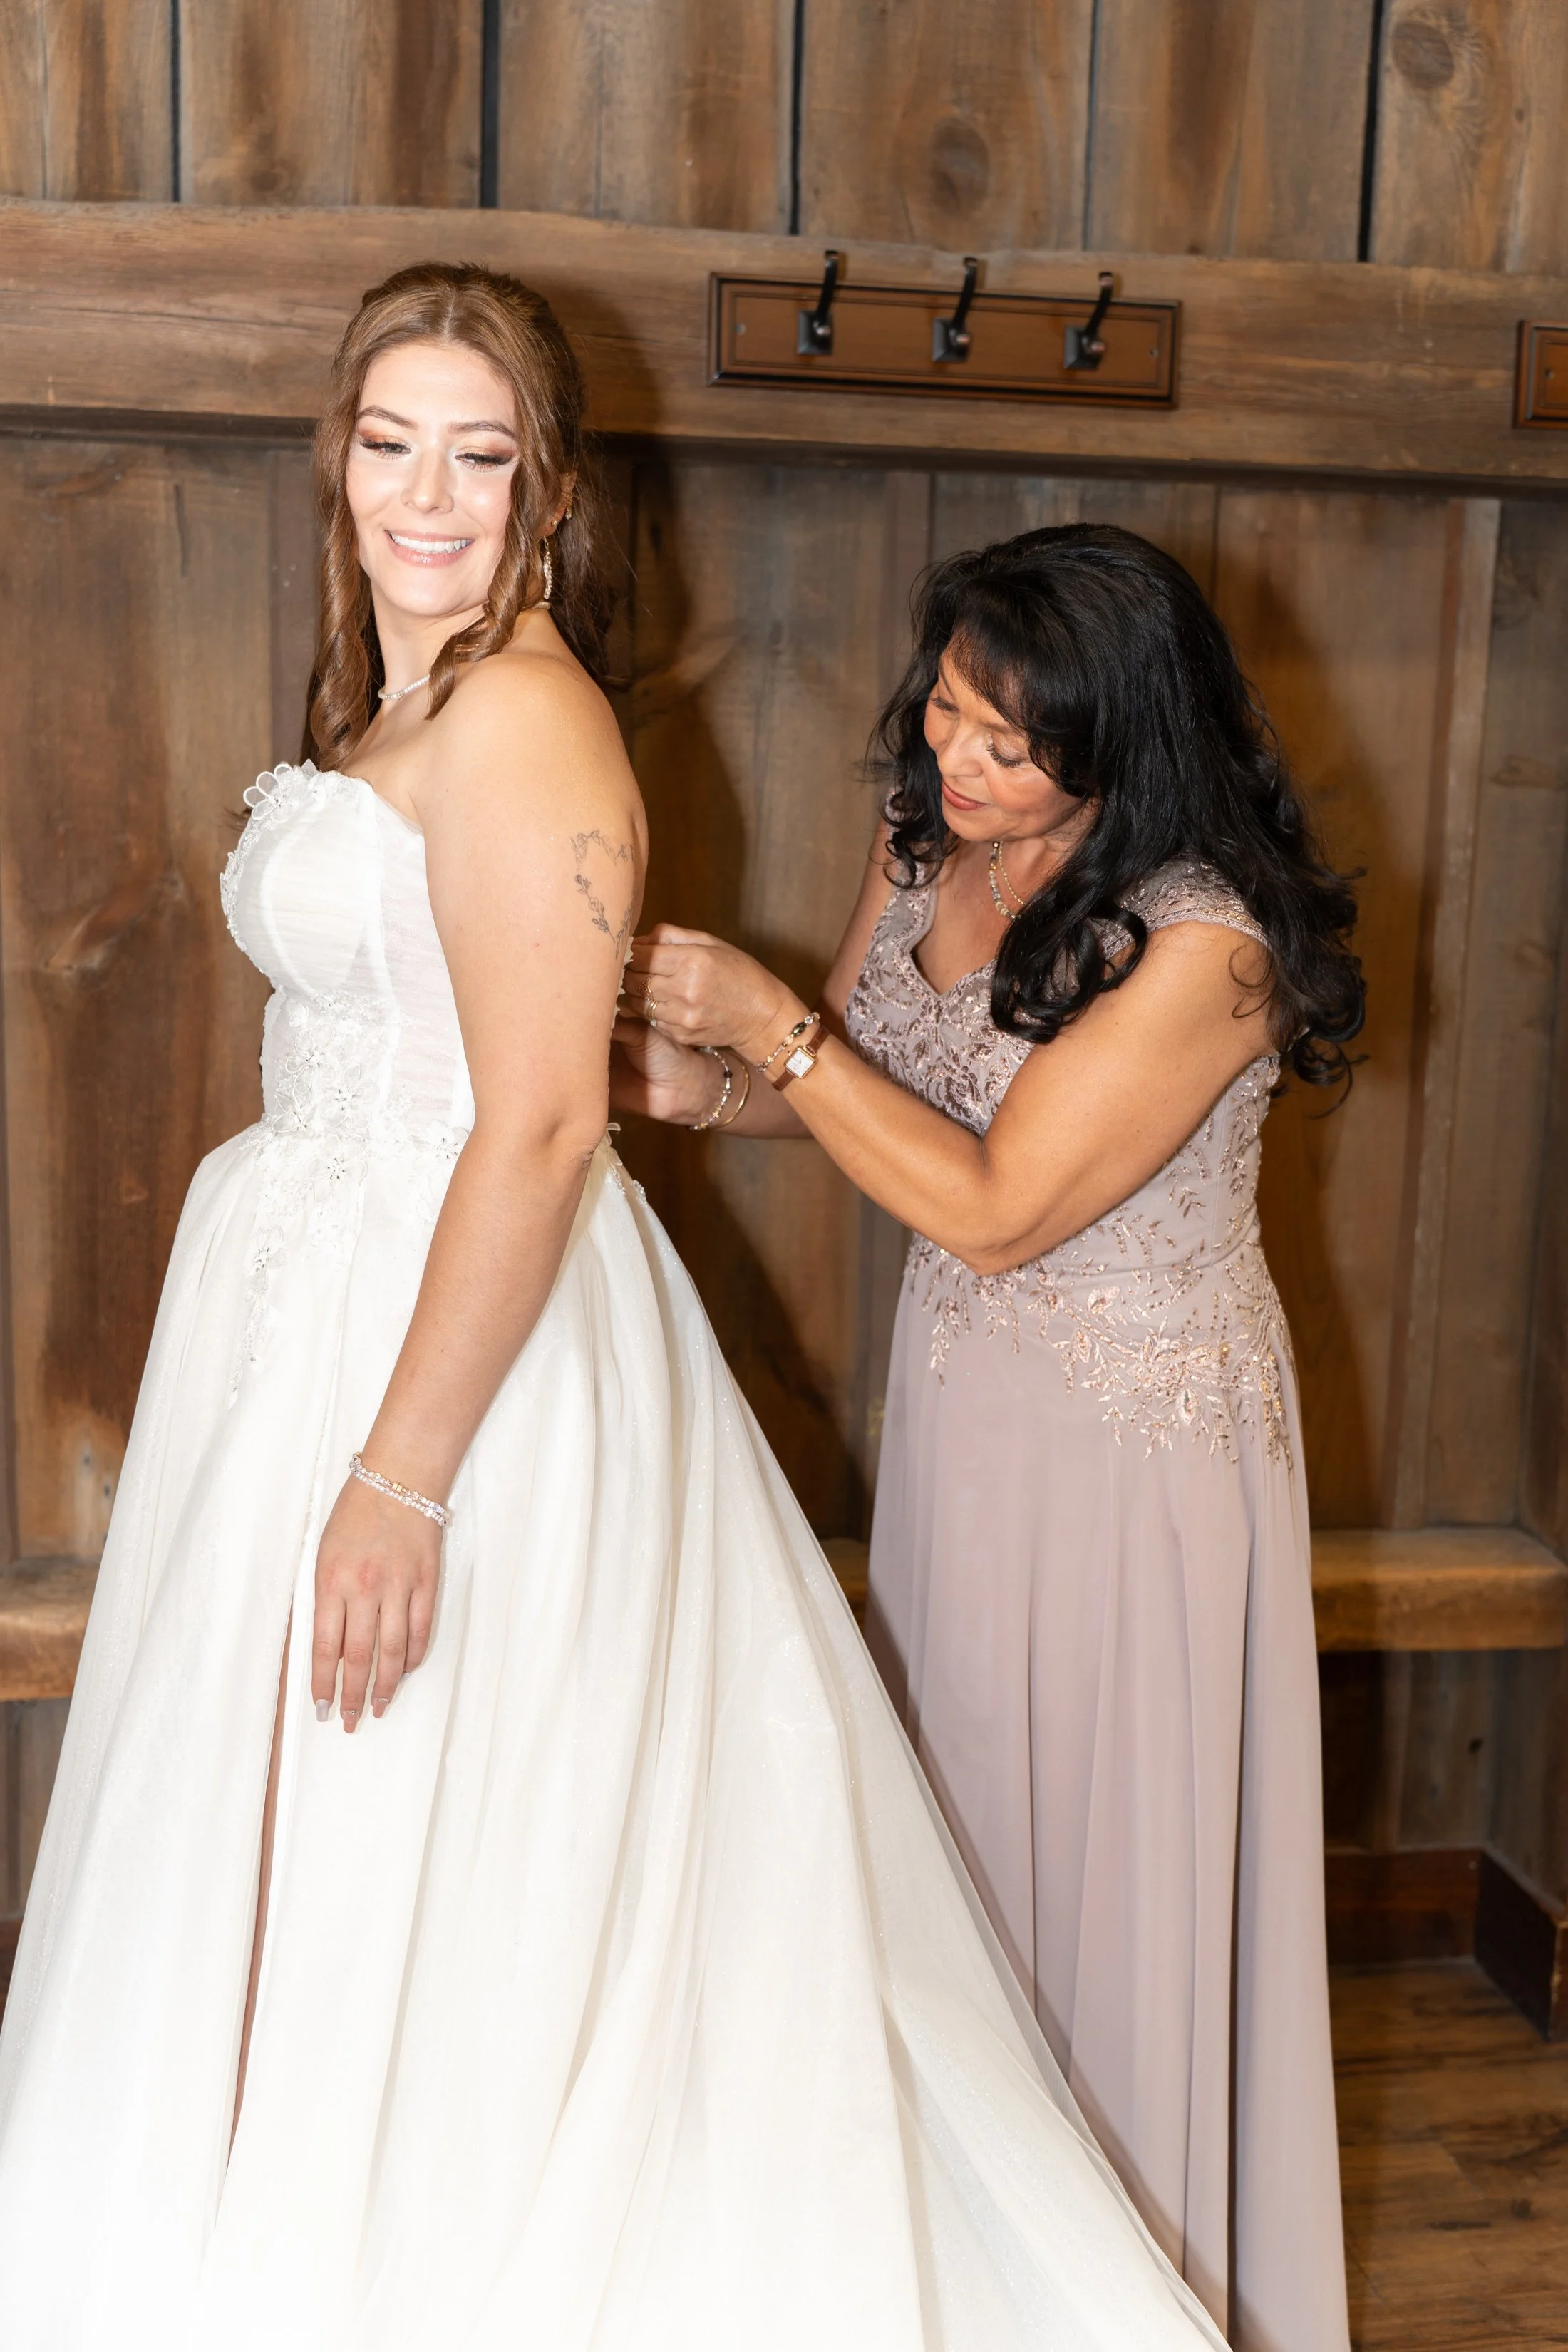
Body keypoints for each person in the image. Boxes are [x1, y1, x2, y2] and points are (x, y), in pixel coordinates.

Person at [0, 274, 1224, 2352]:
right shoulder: (392, 703)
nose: (427, 493)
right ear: (338, 457)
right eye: (390, 440)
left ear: (546, 488)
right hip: (312, 1297)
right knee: (298, 1853)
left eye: (480, 455)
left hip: (447, 1344)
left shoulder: (526, 715)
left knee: (435, 1851)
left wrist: (401, 1474)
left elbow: (547, 1124)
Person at [614, 523, 1365, 2352]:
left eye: (1010, 745)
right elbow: (875, 1092)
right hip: (962, 1419)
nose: (957, 760)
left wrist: (774, 1033)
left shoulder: (1210, 944)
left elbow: (1001, 1199)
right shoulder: (919, 836)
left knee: (1109, 1900)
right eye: (946, 706)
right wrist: (678, 1086)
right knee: (945, 1860)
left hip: (1138, 1462)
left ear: (1127, 745)